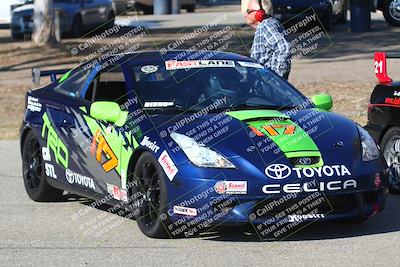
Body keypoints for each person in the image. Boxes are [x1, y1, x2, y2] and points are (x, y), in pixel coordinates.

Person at [244, 0, 291, 79]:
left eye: (248, 11)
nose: (245, 14)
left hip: (267, 83)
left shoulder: (266, 25)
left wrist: (277, 78)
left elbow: (284, 47)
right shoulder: (270, 24)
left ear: (260, 13)